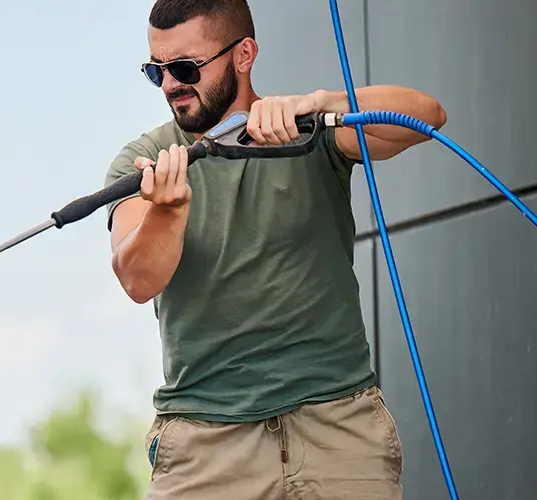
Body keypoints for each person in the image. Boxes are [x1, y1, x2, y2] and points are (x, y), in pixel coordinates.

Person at [105, 1, 447, 498]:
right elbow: (137, 280)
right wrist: (167, 212)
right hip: (206, 443)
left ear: (244, 54)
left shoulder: (313, 128)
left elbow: (427, 116)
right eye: (156, 71)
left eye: (184, 68)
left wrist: (321, 102)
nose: (170, 85)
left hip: (339, 426)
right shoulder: (143, 162)